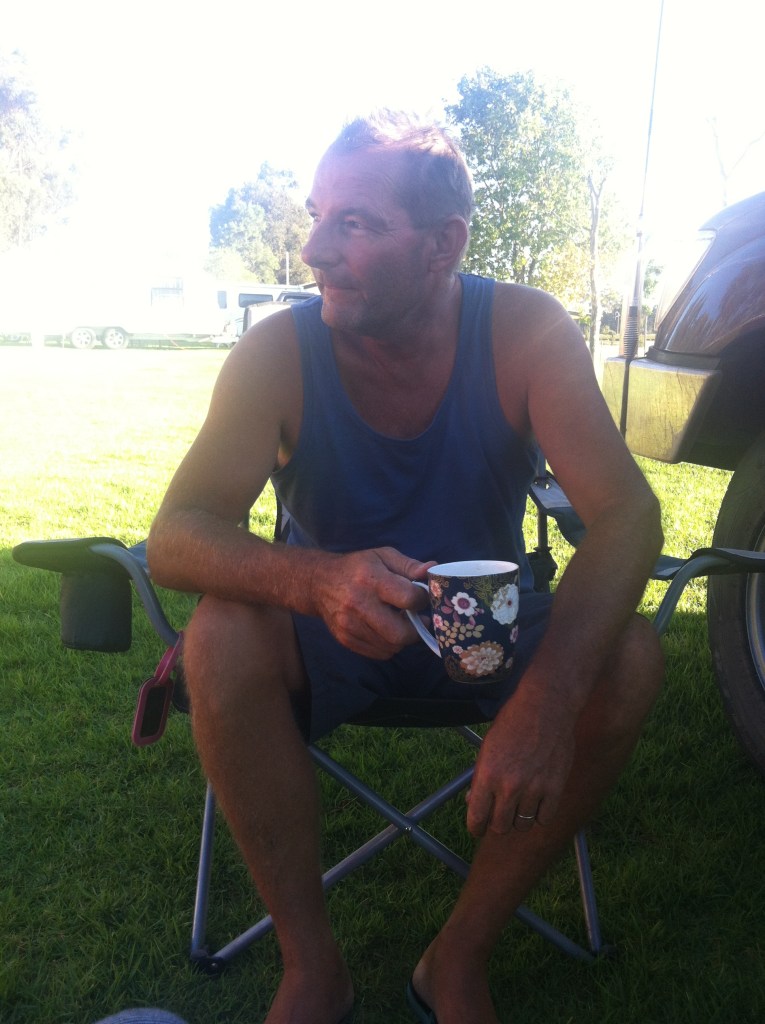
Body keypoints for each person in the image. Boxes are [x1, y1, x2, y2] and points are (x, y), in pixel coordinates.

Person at [147, 111, 664, 1024]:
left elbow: (627, 514)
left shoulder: (523, 331)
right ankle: (312, 970)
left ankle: (455, 959)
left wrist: (546, 703)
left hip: (487, 637)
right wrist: (317, 581)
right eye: (318, 216)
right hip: (330, 634)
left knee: (627, 657)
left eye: (353, 223)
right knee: (220, 635)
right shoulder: (279, 352)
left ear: (442, 245)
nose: (313, 248)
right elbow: (176, 536)